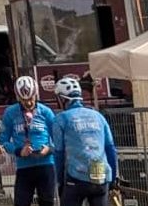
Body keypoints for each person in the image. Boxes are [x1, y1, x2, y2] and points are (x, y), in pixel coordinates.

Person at [51, 78, 118, 206]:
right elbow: (111, 149)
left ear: (62, 98)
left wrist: (59, 182)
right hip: (101, 177)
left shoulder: (61, 119)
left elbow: (58, 153)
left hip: (76, 178)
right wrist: (113, 178)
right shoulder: (98, 116)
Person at [0, 76, 56, 206]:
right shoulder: (10, 113)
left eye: (31, 98)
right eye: (24, 100)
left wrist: (49, 149)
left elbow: (58, 139)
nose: (29, 103)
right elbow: (3, 140)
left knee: (47, 202)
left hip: (45, 165)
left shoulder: (46, 112)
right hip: (24, 167)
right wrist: (18, 151)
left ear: (35, 95)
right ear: (18, 98)